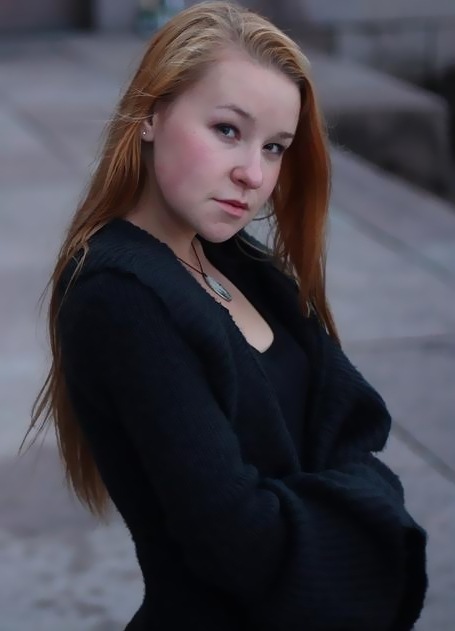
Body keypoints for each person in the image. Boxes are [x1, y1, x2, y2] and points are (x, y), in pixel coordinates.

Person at [24, 1, 427, 629]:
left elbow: (355, 427)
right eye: (228, 131)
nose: (253, 174)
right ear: (152, 114)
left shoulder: (237, 260)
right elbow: (238, 536)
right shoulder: (119, 296)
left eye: (275, 147)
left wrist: (358, 499)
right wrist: (366, 517)